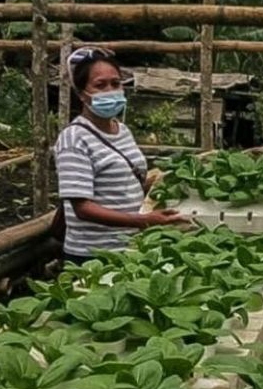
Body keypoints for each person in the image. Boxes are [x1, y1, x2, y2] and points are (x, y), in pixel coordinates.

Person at [54, 47, 183, 264]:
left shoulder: (121, 130)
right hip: (92, 255)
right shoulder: (74, 139)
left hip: (131, 247)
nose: (110, 90)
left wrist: (157, 185)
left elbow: (125, 183)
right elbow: (83, 208)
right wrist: (143, 221)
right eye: (100, 85)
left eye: (115, 83)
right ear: (81, 93)